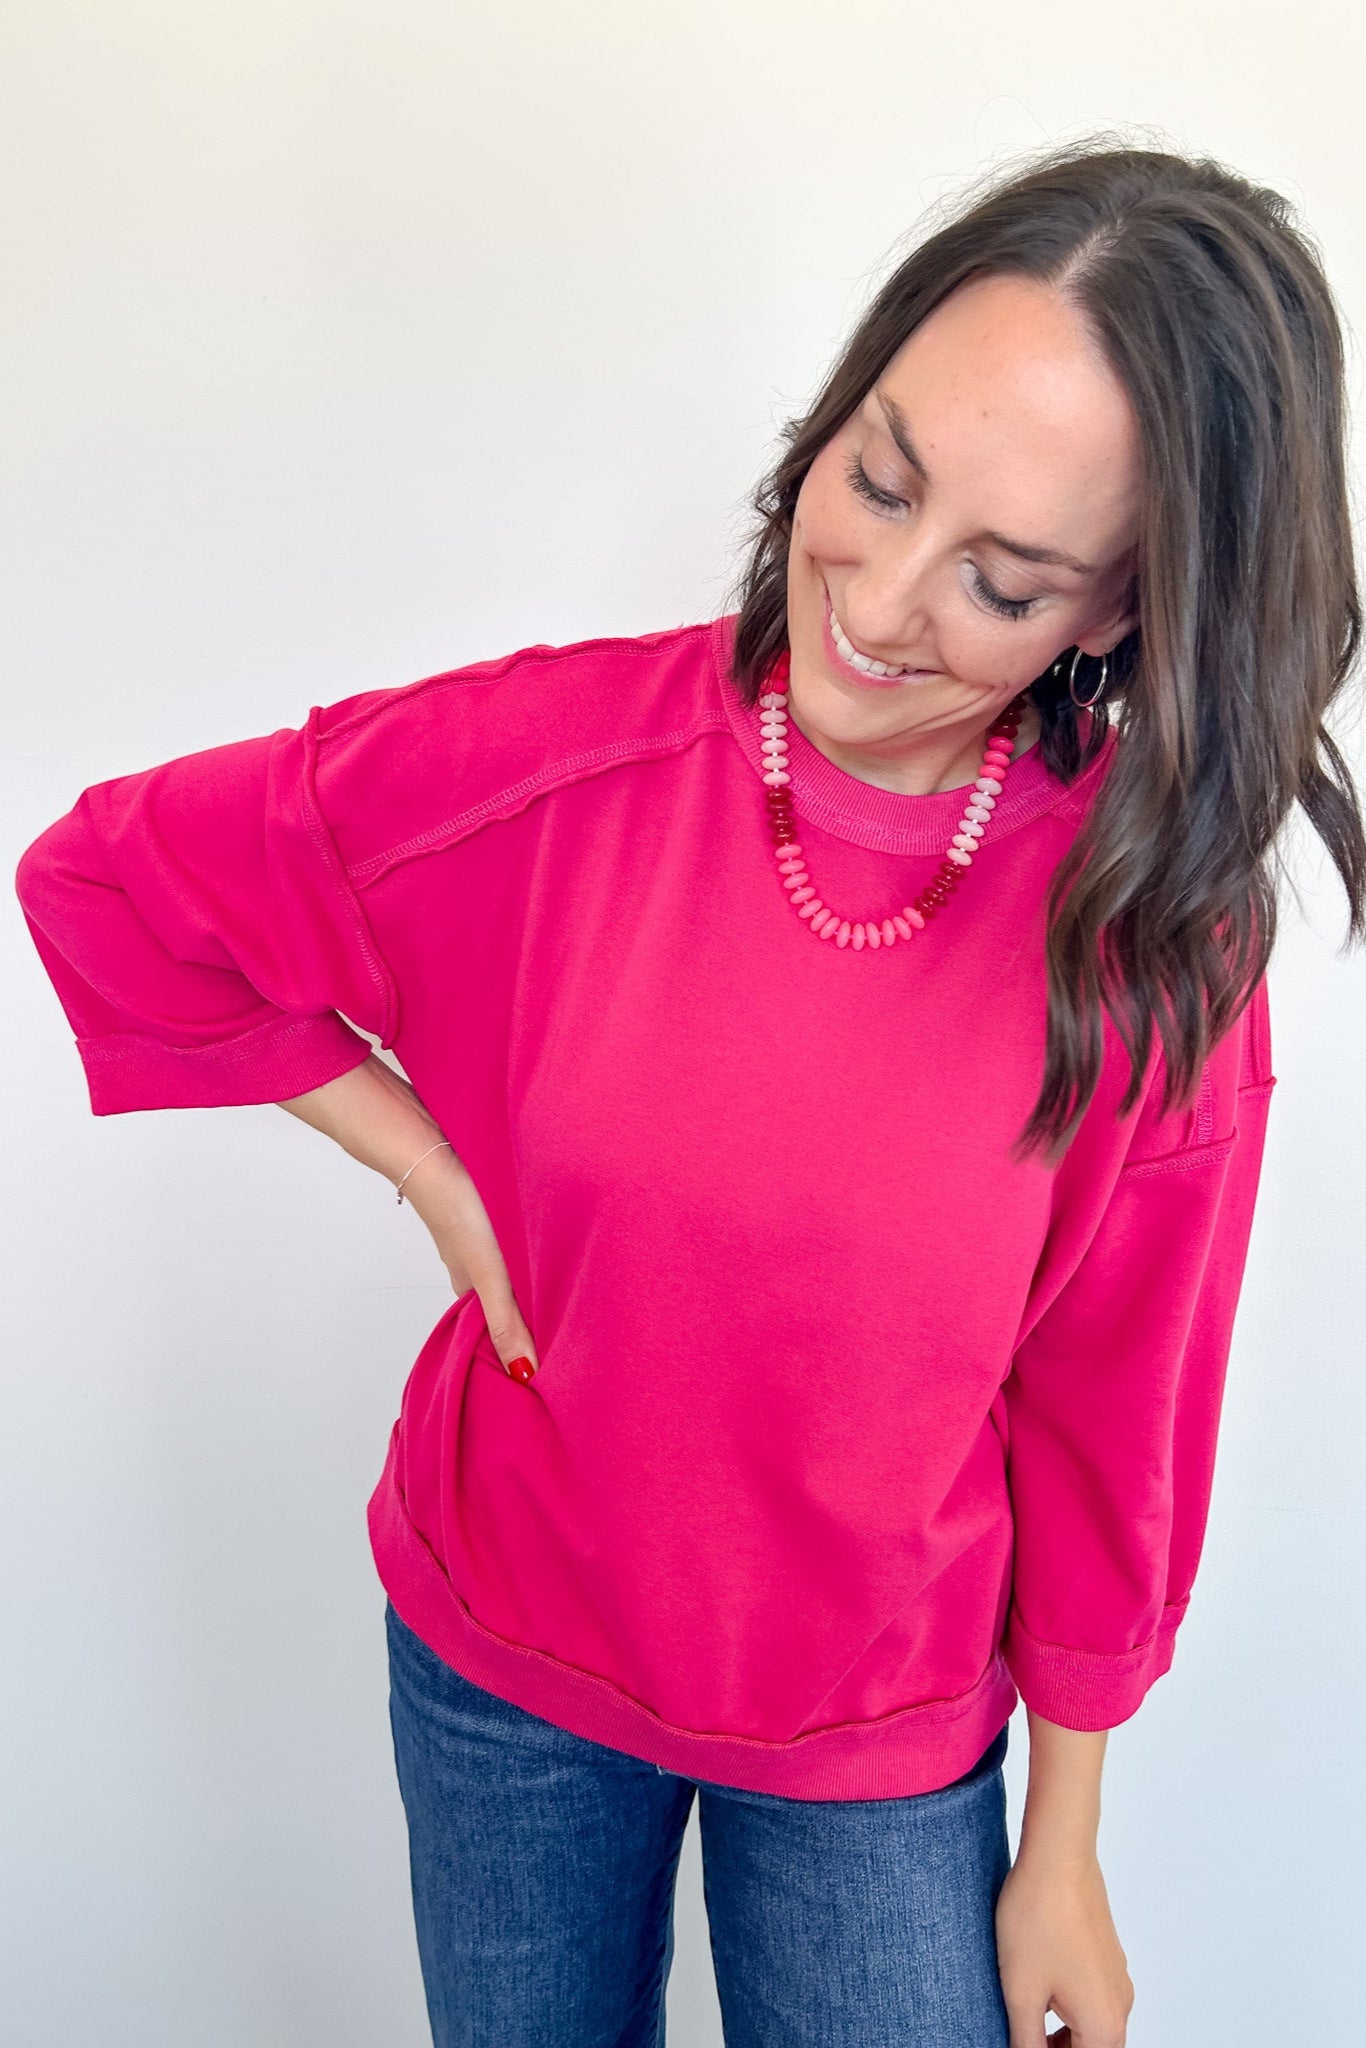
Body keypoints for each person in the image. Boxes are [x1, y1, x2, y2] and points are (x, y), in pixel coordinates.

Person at [13, 137, 1364, 2048]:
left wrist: (1061, 1844)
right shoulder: (543, 770)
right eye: (876, 478)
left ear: (1121, 614)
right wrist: (431, 1167)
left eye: (997, 579)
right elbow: (113, 880)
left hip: (879, 1729)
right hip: (502, 1662)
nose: (879, 603)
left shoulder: (1149, 956)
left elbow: (1111, 1424)